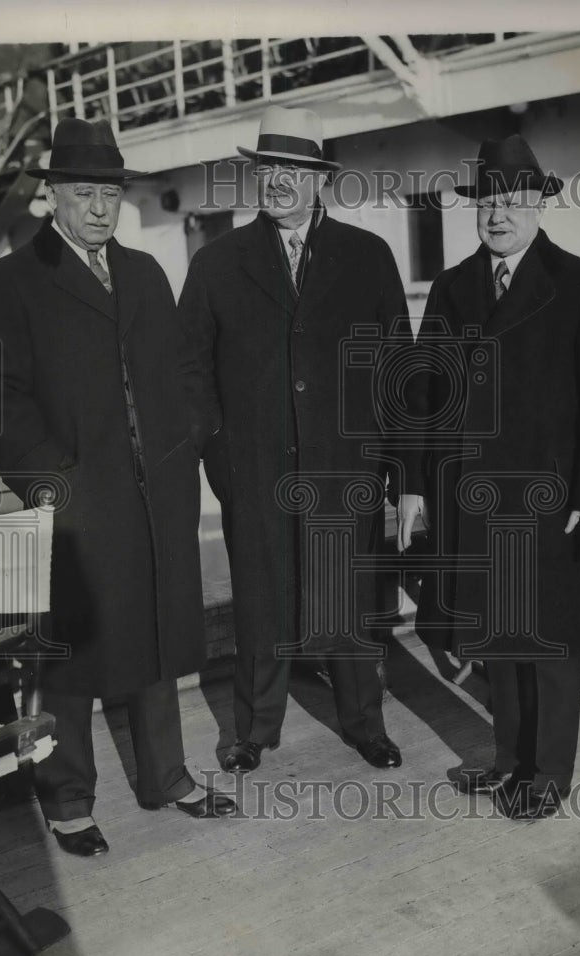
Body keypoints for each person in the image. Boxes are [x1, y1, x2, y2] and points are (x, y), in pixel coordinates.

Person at [0, 118, 234, 857]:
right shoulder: (9, 280)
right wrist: (53, 480)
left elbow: (184, 371)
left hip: (156, 495)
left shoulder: (145, 272)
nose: (98, 208)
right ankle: (68, 798)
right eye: (82, 193)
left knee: (152, 638)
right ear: (52, 197)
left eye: (109, 194)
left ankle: (166, 777)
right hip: (74, 500)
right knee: (68, 659)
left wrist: (186, 445)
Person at [397, 135, 580, 820]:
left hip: (554, 501)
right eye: (487, 202)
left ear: (537, 204)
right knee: (499, 640)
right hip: (472, 499)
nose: (498, 215)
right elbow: (422, 396)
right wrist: (413, 484)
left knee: (549, 642)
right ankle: (507, 761)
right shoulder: (451, 287)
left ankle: (548, 775)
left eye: (512, 201)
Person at [178, 106, 406, 773]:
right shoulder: (217, 262)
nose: (279, 181)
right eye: (269, 167)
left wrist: (392, 467)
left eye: (294, 169)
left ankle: (365, 723)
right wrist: (220, 453)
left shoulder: (367, 256)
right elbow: (189, 367)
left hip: (345, 467)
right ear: (256, 176)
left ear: (318, 180)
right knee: (260, 603)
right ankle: (254, 729)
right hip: (253, 470)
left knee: (349, 603)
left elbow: (397, 367)